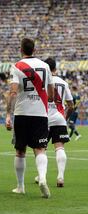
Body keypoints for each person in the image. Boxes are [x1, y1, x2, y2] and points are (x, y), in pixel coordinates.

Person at [6, 38, 54, 198]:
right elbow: (51, 93)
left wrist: (7, 114)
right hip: (40, 113)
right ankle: (42, 178)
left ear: (21, 49)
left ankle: (20, 186)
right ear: (34, 49)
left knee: (20, 151)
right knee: (40, 149)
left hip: (22, 113)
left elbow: (13, 92)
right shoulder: (46, 66)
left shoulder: (17, 66)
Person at [34, 58, 73, 187]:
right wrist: (65, 118)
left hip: (44, 118)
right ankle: (60, 177)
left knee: (40, 149)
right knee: (59, 147)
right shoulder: (63, 83)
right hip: (59, 118)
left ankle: (41, 176)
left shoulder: (42, 82)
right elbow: (71, 105)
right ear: (55, 68)